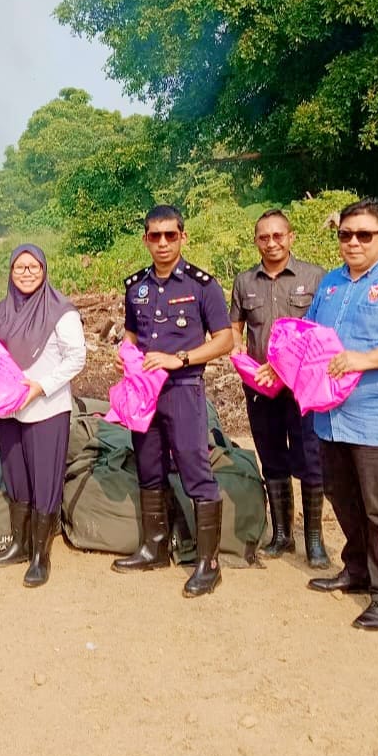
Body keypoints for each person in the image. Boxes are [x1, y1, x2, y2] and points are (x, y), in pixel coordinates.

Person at [266, 198, 378, 631]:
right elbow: (308, 339)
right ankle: (358, 568)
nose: (353, 242)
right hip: (330, 417)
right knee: (342, 498)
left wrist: (364, 359)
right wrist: (277, 366)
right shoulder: (330, 285)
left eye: (364, 235)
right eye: (346, 234)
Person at [112, 205, 235, 597]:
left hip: (183, 389)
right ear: (146, 239)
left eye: (170, 235)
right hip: (143, 394)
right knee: (148, 466)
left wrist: (179, 358)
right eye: (154, 236)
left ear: (183, 236)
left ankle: (208, 564)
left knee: (195, 468)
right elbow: (133, 334)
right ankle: (155, 546)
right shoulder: (136, 287)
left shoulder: (202, 286)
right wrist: (124, 349)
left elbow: (225, 340)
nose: (162, 243)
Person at [229, 209, 330, 568]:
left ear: (291, 237)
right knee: (271, 455)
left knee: (310, 458)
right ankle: (282, 535)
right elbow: (236, 329)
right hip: (260, 386)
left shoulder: (315, 277)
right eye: (263, 237)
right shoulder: (245, 282)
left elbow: (321, 334)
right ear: (256, 240)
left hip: (302, 386)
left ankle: (314, 541)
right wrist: (237, 350)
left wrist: (285, 365)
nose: (271, 243)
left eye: (278, 236)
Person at [0, 244, 86, 588]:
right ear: (10, 273)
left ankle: (41, 556)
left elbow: (76, 358)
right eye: (19, 268)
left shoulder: (61, 311)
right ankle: (18, 544)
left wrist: (40, 386)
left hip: (47, 408)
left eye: (33, 267)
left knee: (44, 480)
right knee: (17, 476)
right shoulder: (2, 309)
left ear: (44, 271)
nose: (26, 273)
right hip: (10, 406)